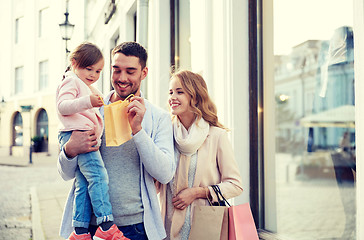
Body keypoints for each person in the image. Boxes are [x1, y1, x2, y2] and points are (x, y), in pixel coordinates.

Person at [57, 42, 175, 240]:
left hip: (137, 227)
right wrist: (70, 150)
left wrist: (138, 130)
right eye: (116, 70)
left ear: (144, 73)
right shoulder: (89, 109)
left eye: (130, 71)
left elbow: (165, 174)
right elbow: (66, 174)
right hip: (92, 227)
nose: (122, 78)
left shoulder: (158, 117)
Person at [159, 70, 244, 240]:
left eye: (180, 92)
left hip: (204, 226)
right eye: (170, 92)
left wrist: (197, 192)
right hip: (166, 226)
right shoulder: (164, 133)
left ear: (195, 97)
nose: (172, 97)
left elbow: (235, 185)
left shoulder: (216, 136)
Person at [56, 42, 128, 240]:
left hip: (80, 134)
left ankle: (79, 231)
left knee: (84, 182)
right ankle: (106, 224)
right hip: (78, 134)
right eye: (89, 69)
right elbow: (62, 106)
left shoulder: (85, 85)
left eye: (98, 71)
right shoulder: (71, 82)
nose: (94, 75)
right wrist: (89, 101)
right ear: (74, 63)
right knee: (98, 177)